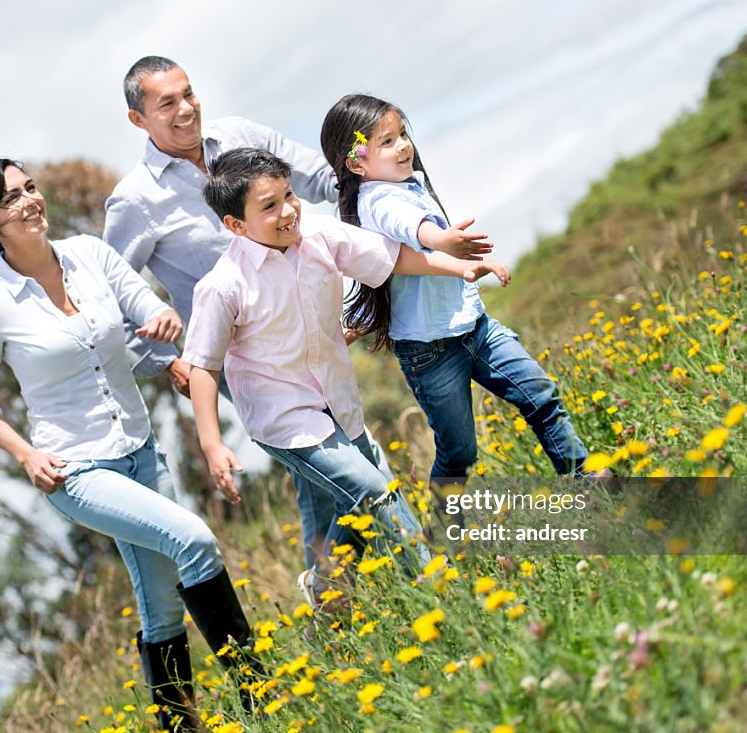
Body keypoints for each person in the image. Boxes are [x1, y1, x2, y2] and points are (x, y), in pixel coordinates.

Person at [0, 158, 262, 733]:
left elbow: (144, 305)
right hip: (77, 469)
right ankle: (261, 696)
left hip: (141, 449)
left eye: (30, 188)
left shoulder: (90, 255)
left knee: (162, 602)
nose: (30, 202)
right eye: (11, 199)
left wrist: (164, 318)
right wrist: (26, 455)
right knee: (194, 541)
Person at [181, 148, 511, 602]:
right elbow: (203, 365)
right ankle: (443, 588)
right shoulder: (223, 285)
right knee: (376, 490)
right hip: (286, 419)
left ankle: (326, 589)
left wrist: (460, 267)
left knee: (351, 498)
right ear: (236, 226)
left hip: (337, 398)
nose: (288, 211)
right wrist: (212, 444)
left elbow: (390, 258)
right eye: (269, 206)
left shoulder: (318, 234)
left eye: (289, 195)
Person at [102, 55, 387, 574]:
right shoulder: (135, 201)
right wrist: (168, 363)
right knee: (320, 455)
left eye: (188, 94)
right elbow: (110, 296)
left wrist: (381, 170)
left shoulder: (239, 135)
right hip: (238, 355)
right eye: (167, 103)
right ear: (138, 119)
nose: (186, 109)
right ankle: (358, 577)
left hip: (303, 321)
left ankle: (334, 589)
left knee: (331, 458)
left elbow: (320, 178)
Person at [319, 94, 593, 490]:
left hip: (475, 328)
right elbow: (410, 226)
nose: (403, 146)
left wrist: (460, 262)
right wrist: (444, 239)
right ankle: (446, 536)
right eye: (386, 142)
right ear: (357, 163)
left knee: (540, 396)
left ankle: (588, 480)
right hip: (430, 352)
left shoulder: (410, 185)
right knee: (459, 452)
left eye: (401, 135)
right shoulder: (376, 200)